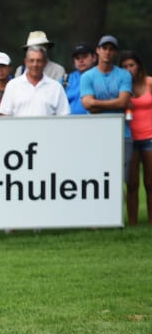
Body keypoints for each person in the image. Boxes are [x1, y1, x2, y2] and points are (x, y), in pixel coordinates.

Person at [81, 34, 132, 178]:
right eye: (104, 48)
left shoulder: (124, 75)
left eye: (111, 49)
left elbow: (123, 102)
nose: (107, 52)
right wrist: (115, 103)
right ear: (98, 50)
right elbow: (87, 104)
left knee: (120, 177)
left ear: (115, 52)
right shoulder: (87, 76)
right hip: (95, 132)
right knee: (96, 176)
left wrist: (96, 103)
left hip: (122, 132)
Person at [120, 50, 151, 225]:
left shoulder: (149, 83)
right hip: (130, 138)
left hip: (149, 137)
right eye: (124, 66)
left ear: (138, 66)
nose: (129, 69)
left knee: (150, 182)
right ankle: (132, 222)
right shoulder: (122, 87)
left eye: (131, 65)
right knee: (132, 183)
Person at [0, 46, 71, 117]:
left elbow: (63, 116)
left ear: (45, 63)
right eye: (31, 61)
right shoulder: (13, 86)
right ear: (26, 62)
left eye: (39, 61)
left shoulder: (56, 87)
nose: (35, 64)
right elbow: (5, 115)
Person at [65, 42, 97, 115]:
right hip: (69, 121)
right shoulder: (65, 80)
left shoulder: (101, 76)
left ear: (94, 58)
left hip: (97, 120)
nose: (81, 61)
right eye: (77, 58)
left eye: (84, 57)